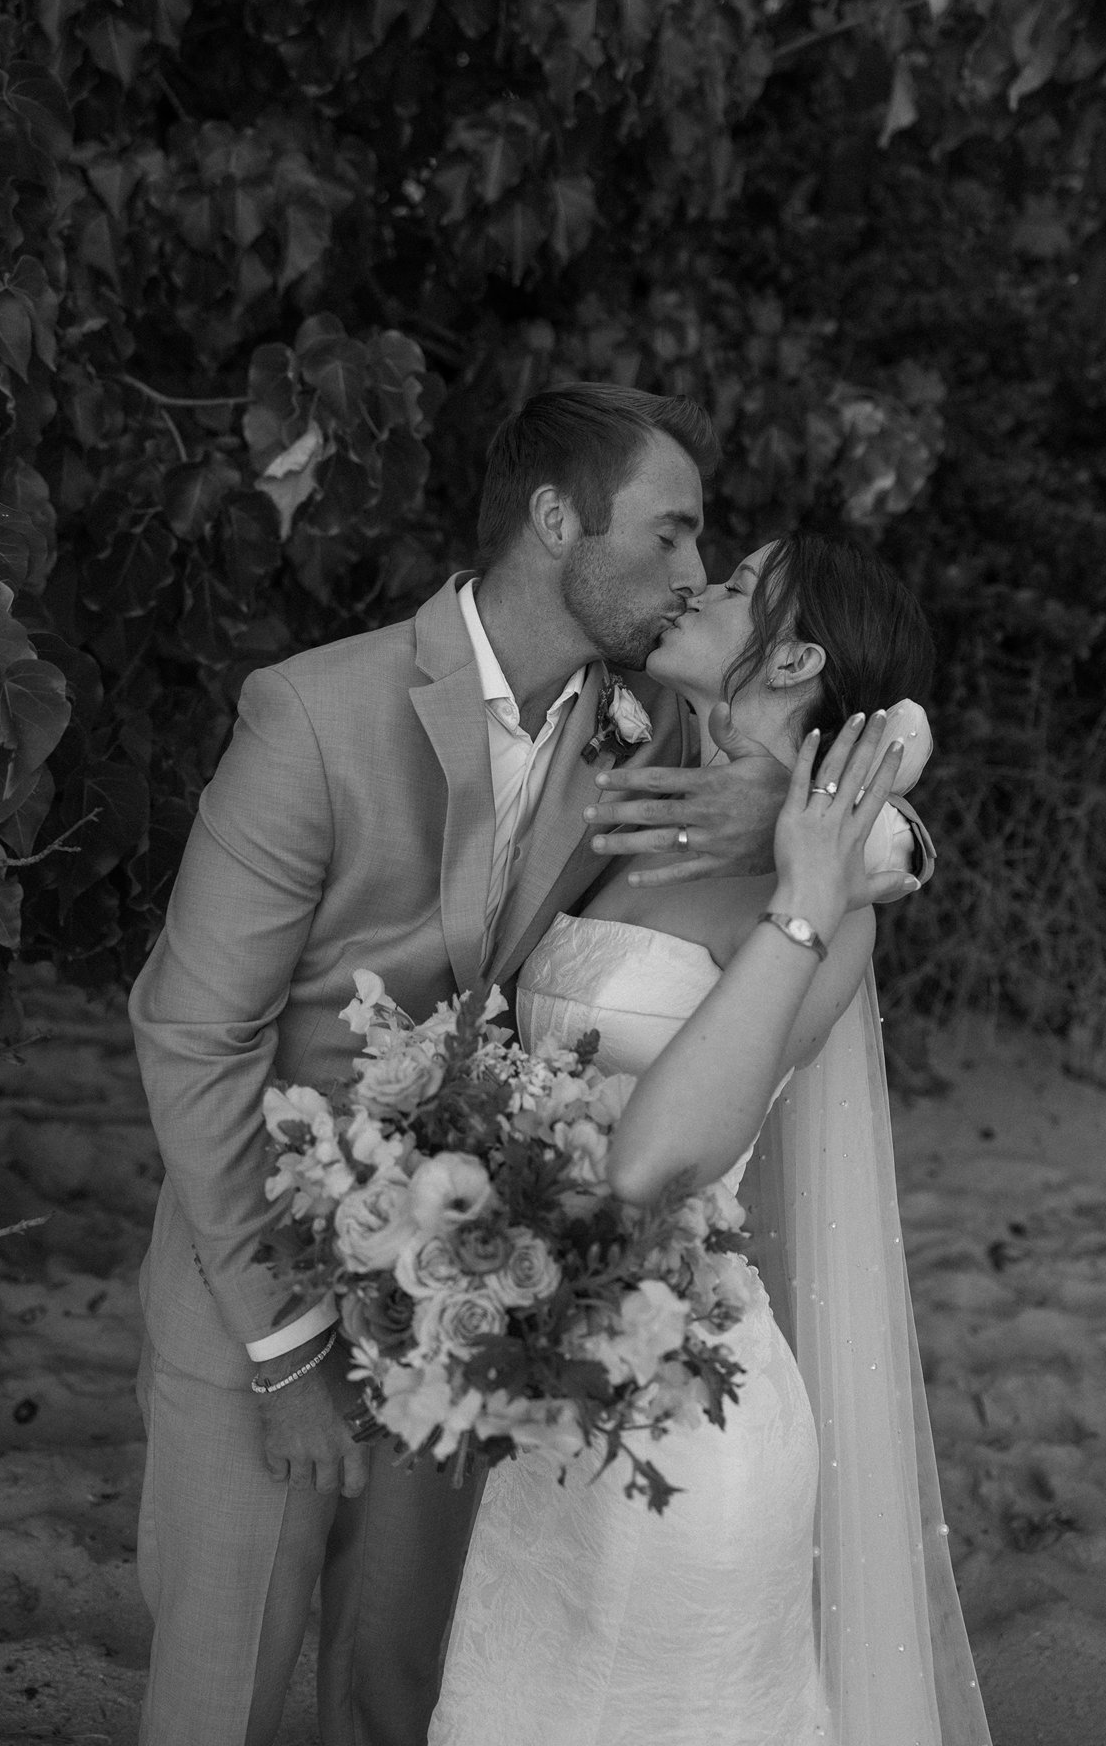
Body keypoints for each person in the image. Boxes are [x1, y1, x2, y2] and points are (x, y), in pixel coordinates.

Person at [127, 383, 811, 1746]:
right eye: (672, 536)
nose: (693, 575)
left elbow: (872, 793)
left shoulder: (649, 733)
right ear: (559, 521)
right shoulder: (315, 714)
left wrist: (795, 810)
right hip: (251, 1270)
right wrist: (282, 1350)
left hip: (473, 1301)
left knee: (398, 1697)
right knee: (223, 1699)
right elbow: (195, 1036)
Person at [430, 533, 991, 1746]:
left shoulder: (827, 902)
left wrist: (825, 863)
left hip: (687, 1422)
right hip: (558, 1381)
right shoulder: (658, 789)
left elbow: (660, 1165)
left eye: (735, 587)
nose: (699, 585)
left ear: (793, 653)